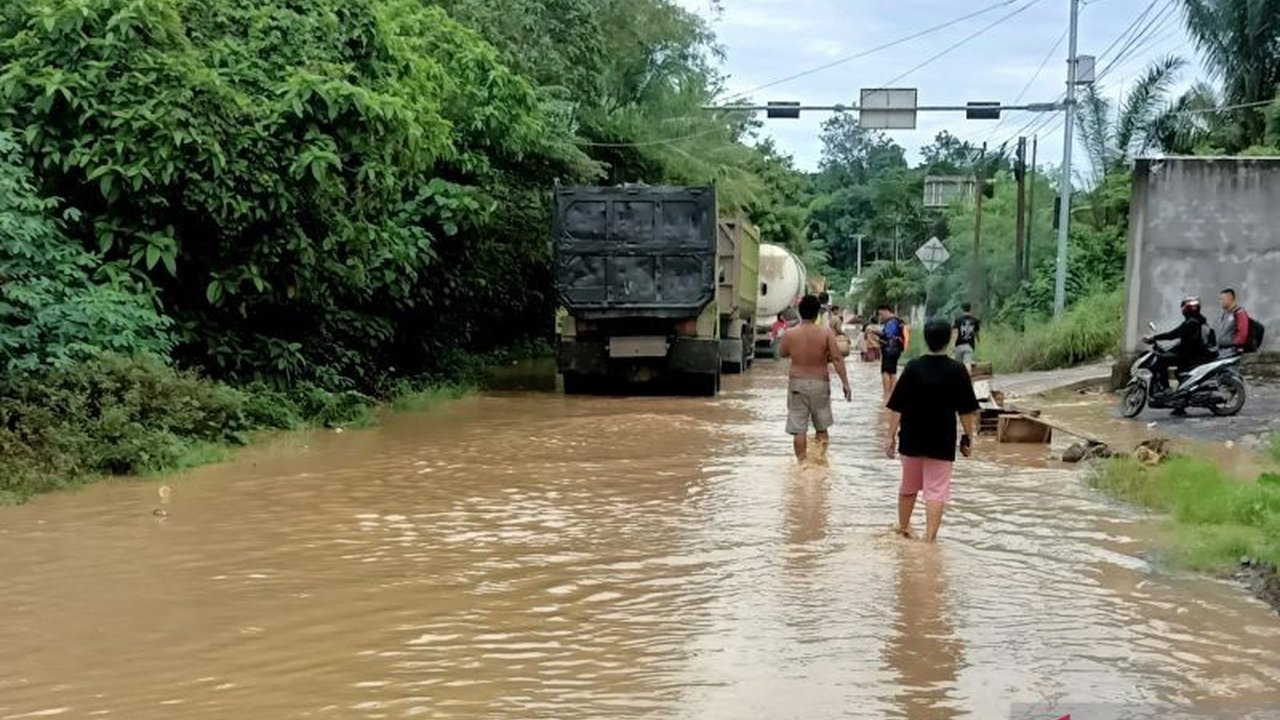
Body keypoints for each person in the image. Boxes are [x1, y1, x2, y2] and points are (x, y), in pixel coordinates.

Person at [884, 318, 980, 543]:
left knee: (908, 487)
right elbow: (966, 410)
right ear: (950, 340)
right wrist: (969, 436)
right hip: (941, 440)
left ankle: (903, 531)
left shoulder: (913, 367)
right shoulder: (957, 370)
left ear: (926, 339)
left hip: (911, 438)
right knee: (936, 492)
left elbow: (897, 406)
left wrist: (890, 437)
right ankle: (929, 542)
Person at [780, 294, 853, 463]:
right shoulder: (826, 333)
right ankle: (820, 462)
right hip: (820, 383)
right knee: (821, 426)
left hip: (797, 383)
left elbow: (783, 353)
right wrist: (845, 383)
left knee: (799, 429)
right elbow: (837, 358)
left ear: (800, 312)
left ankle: (802, 465)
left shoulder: (790, 334)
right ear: (816, 313)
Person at [1142, 296, 1217, 413]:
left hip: (1190, 356)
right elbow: (1184, 340)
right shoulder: (1199, 321)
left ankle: (1165, 388)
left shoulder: (1191, 323)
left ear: (1185, 309)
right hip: (1193, 354)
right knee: (1179, 374)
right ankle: (1179, 405)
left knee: (1161, 359)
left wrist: (1154, 337)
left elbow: (1173, 334)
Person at [875, 305, 906, 399]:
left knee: (885, 371)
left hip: (889, 350)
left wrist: (875, 332)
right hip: (896, 350)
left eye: (881, 314)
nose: (881, 317)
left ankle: (886, 394)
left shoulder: (891, 322)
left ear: (887, 311)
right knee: (892, 372)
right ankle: (892, 394)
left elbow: (888, 335)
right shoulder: (898, 321)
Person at [1217, 288, 1251, 358]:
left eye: (1222, 299)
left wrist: (1235, 345)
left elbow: (1242, 334)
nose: (1220, 302)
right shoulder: (1225, 314)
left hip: (1232, 352)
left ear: (1229, 299)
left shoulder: (1239, 313)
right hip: (1222, 350)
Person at [951, 303, 980, 368]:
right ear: (970, 309)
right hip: (969, 345)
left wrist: (953, 345)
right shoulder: (975, 320)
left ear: (962, 310)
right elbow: (976, 333)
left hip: (959, 345)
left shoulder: (957, 320)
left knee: (958, 366)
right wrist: (978, 340)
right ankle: (967, 373)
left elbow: (955, 333)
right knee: (967, 365)